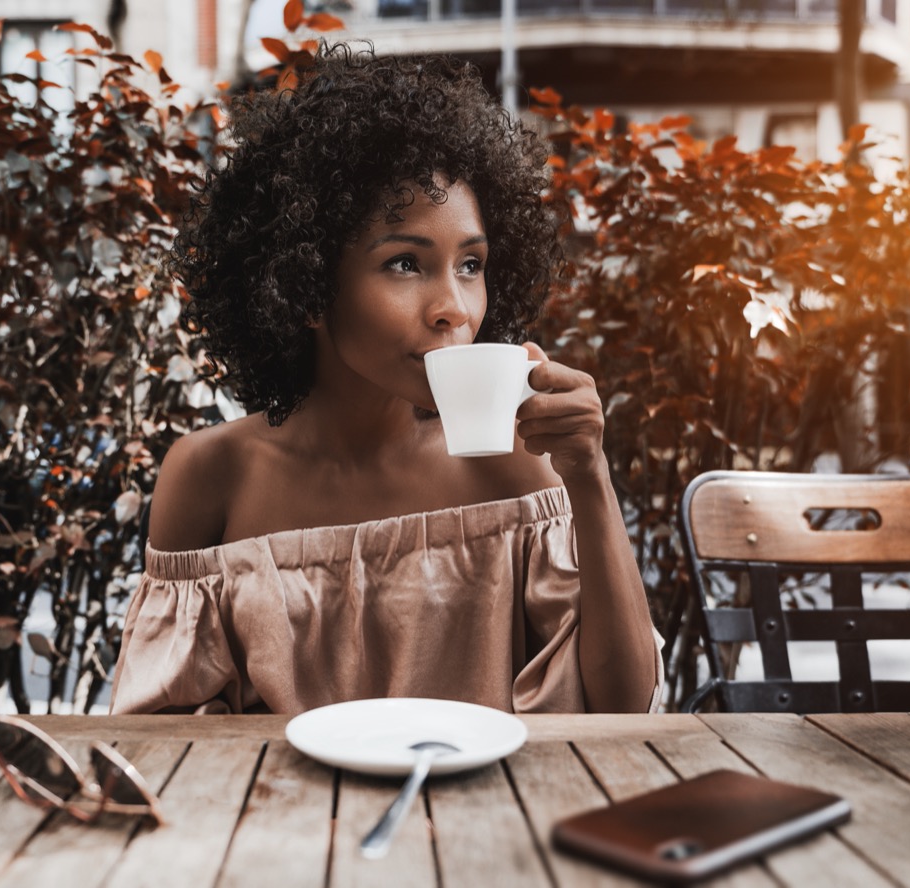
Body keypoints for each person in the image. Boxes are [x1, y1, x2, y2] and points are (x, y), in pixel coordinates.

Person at [109, 44, 663, 716]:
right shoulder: (213, 476)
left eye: (471, 264)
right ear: (307, 286)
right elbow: (162, 742)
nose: (454, 308)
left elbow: (626, 709)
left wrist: (589, 478)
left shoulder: (517, 471)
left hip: (490, 819)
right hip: (282, 820)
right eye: (405, 264)